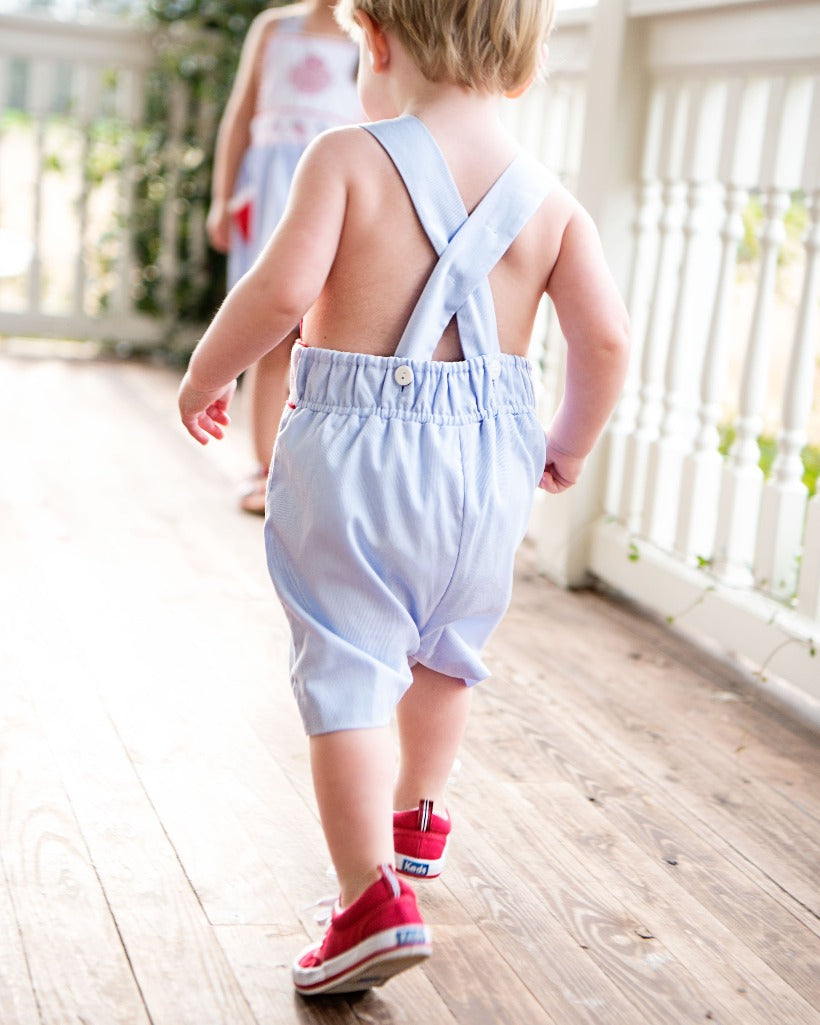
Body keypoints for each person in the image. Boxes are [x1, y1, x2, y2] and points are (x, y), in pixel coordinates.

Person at [179, 0, 630, 998]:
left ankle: (365, 898)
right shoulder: (550, 199)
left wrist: (206, 375)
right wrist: (567, 442)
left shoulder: (344, 157)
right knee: (442, 648)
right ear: (520, 62)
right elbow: (604, 342)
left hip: (357, 459)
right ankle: (416, 821)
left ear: (377, 41)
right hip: (489, 473)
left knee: (346, 663)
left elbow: (278, 291)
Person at [206, 0, 362, 514]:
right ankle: (265, 471)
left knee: (321, 332)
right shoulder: (274, 28)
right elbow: (240, 117)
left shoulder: (370, 33)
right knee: (269, 333)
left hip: (338, 201)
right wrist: (222, 199)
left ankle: (314, 477)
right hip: (270, 195)